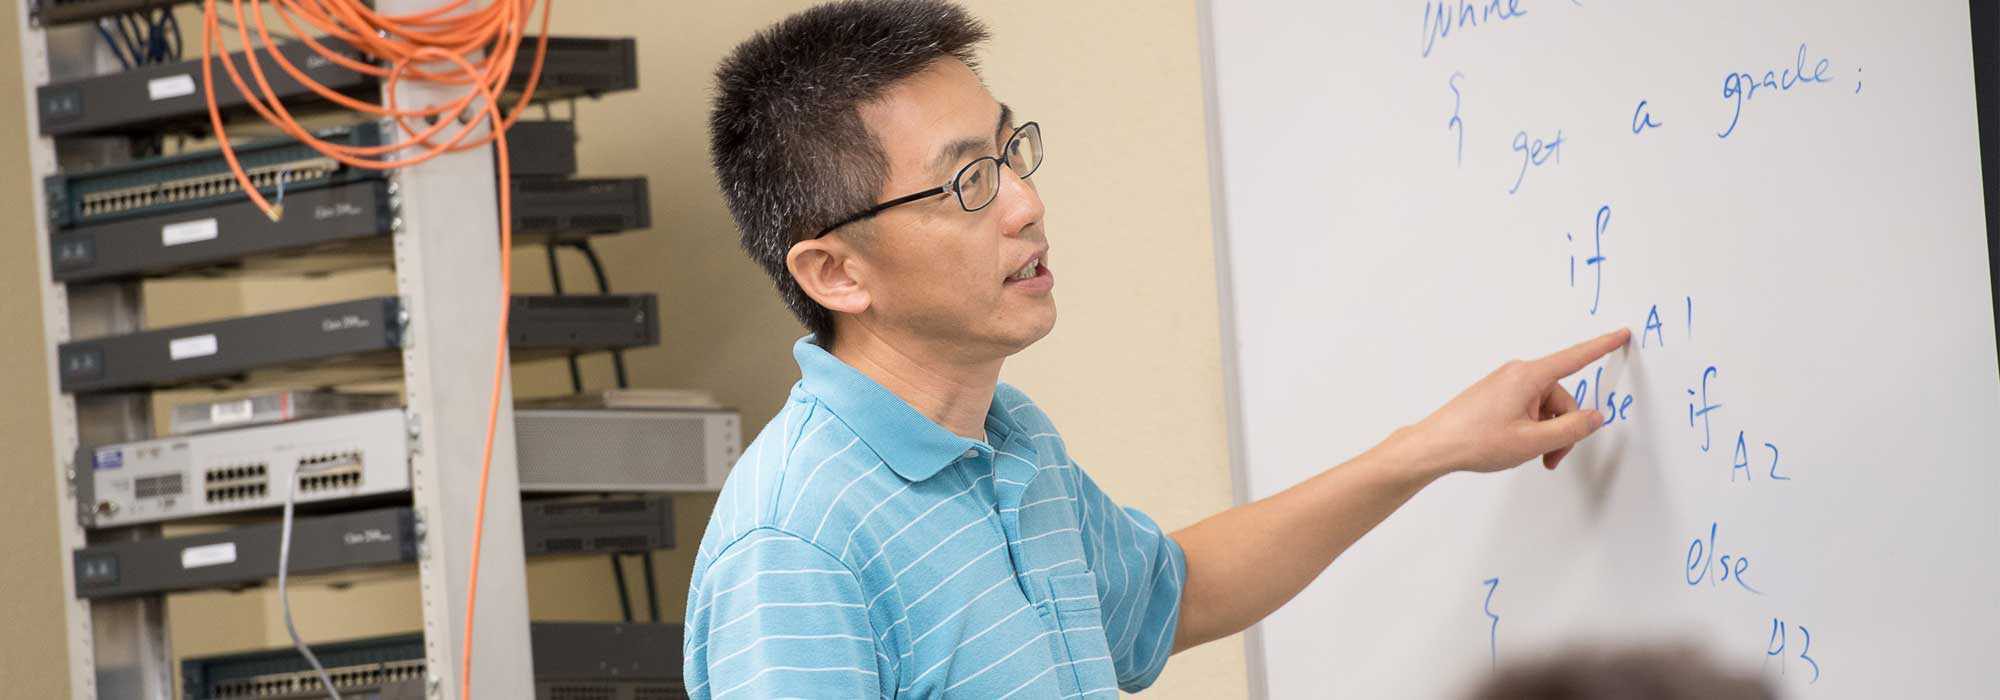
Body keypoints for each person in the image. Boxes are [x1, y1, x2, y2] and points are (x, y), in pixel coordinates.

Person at [684, 1, 1630, 696]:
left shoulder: (1009, 440)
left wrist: (1432, 447)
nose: (1025, 201)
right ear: (837, 273)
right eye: (969, 181)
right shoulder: (796, 549)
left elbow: (1170, 597)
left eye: (1011, 153)